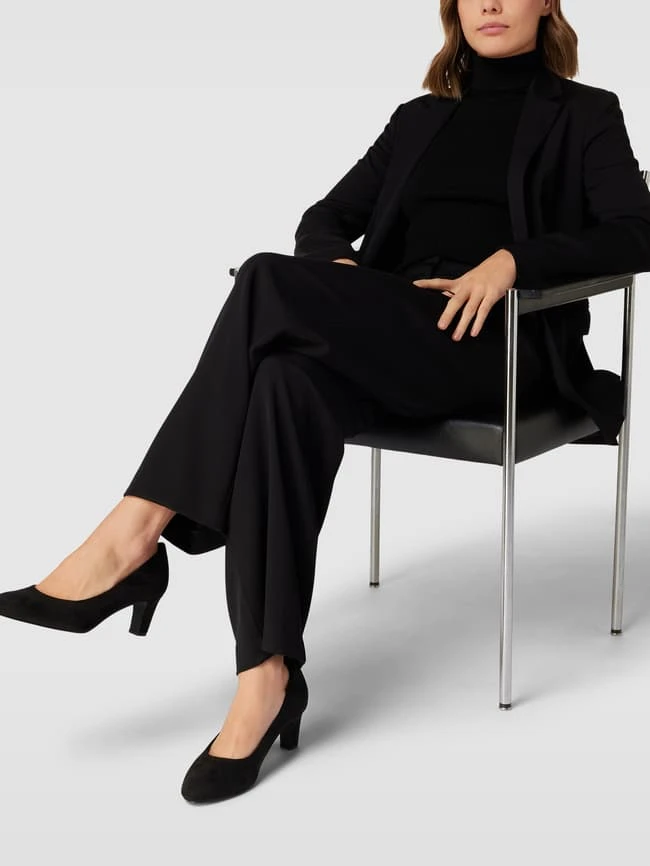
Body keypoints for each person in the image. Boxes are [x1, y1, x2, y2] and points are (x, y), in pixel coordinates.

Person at [1, 0, 649, 805]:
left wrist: (514, 261)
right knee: (285, 381)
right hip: (390, 331)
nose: (490, 3)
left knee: (264, 280)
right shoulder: (418, 119)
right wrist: (335, 272)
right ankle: (266, 677)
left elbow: (636, 230)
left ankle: (134, 535)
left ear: (547, 2)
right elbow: (326, 217)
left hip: (498, 347)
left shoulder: (585, 114)